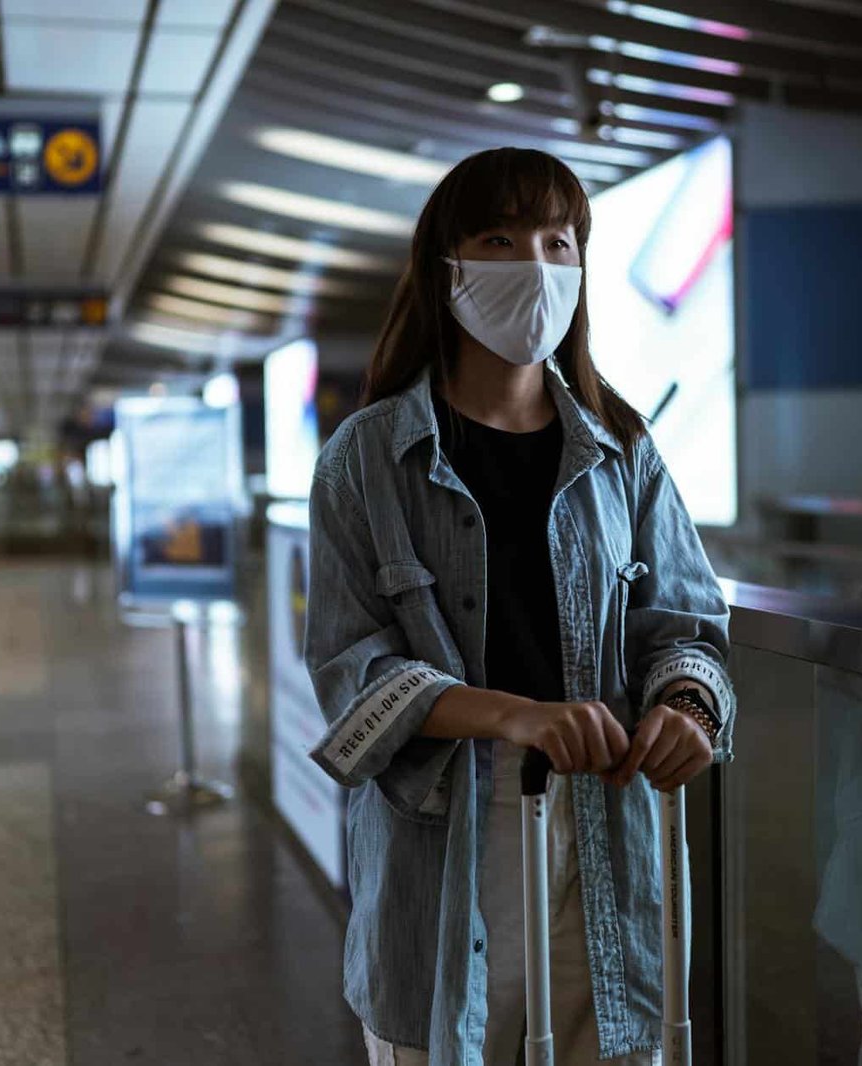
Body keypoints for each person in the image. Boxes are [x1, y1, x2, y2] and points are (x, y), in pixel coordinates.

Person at [305, 147, 735, 1065]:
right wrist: (514, 715)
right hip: (443, 839)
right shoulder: (366, 459)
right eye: (500, 239)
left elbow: (687, 625)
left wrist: (688, 706)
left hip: (609, 828)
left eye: (558, 240)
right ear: (445, 269)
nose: (535, 266)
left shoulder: (622, 448)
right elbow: (350, 679)